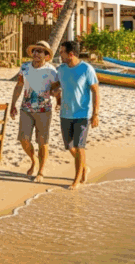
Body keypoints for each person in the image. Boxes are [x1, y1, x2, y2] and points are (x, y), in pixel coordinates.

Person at [10, 41, 58, 182]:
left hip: (44, 110)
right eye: (35, 50)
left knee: (42, 142)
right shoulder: (24, 67)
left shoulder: (51, 71)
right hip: (26, 108)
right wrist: (13, 104)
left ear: (46, 55)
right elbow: (19, 85)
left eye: (40, 51)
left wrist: (58, 100)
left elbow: (55, 89)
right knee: (23, 139)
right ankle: (34, 160)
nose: (36, 53)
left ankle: (41, 171)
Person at [55, 41, 99, 190]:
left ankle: (77, 179)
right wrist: (55, 95)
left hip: (82, 114)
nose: (60, 55)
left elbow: (95, 91)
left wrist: (95, 114)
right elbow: (56, 86)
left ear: (71, 54)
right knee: (69, 146)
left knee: (79, 147)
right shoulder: (60, 69)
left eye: (62, 52)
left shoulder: (87, 69)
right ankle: (84, 167)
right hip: (65, 113)